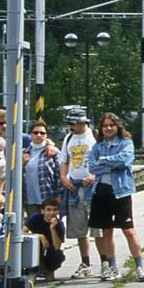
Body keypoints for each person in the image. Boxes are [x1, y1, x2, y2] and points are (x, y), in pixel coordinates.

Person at [86, 112, 144, 282]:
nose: (108, 128)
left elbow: (125, 161)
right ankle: (112, 267)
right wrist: (112, 164)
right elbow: (92, 167)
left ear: (117, 127)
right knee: (106, 231)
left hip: (121, 191)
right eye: (105, 126)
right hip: (101, 191)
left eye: (111, 125)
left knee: (128, 230)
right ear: (101, 128)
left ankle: (139, 266)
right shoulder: (97, 147)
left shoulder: (126, 143)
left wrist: (103, 161)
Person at [57, 107, 103, 279]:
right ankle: (85, 263)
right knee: (79, 228)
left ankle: (105, 262)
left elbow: (102, 160)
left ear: (83, 123)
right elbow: (64, 160)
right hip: (74, 187)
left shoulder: (94, 137)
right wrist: (63, 177)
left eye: (73, 123)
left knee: (97, 228)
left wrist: (93, 175)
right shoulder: (69, 138)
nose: (70, 126)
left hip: (92, 187)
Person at [24, 119, 62, 217]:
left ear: (46, 135)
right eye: (35, 132)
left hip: (49, 198)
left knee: (51, 225)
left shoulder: (53, 152)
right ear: (31, 134)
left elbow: (59, 174)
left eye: (42, 133)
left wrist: (59, 195)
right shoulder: (24, 153)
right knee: (34, 225)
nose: (39, 135)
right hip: (30, 200)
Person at [23, 195, 65, 281]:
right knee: (26, 246)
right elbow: (22, 232)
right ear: (42, 211)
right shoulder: (36, 218)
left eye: (54, 210)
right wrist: (40, 236)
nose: (51, 213)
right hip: (36, 249)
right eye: (48, 210)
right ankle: (32, 271)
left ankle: (49, 270)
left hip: (50, 251)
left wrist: (52, 228)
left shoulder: (59, 224)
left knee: (59, 255)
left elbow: (57, 246)